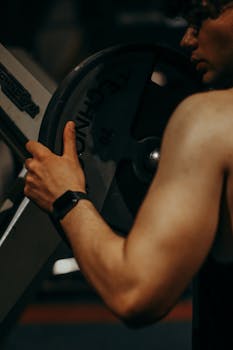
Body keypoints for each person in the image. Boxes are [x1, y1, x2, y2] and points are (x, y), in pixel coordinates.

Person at [24, 0, 233, 348]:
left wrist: (66, 197)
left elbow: (134, 292)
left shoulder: (209, 122)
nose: (186, 39)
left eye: (200, 18)